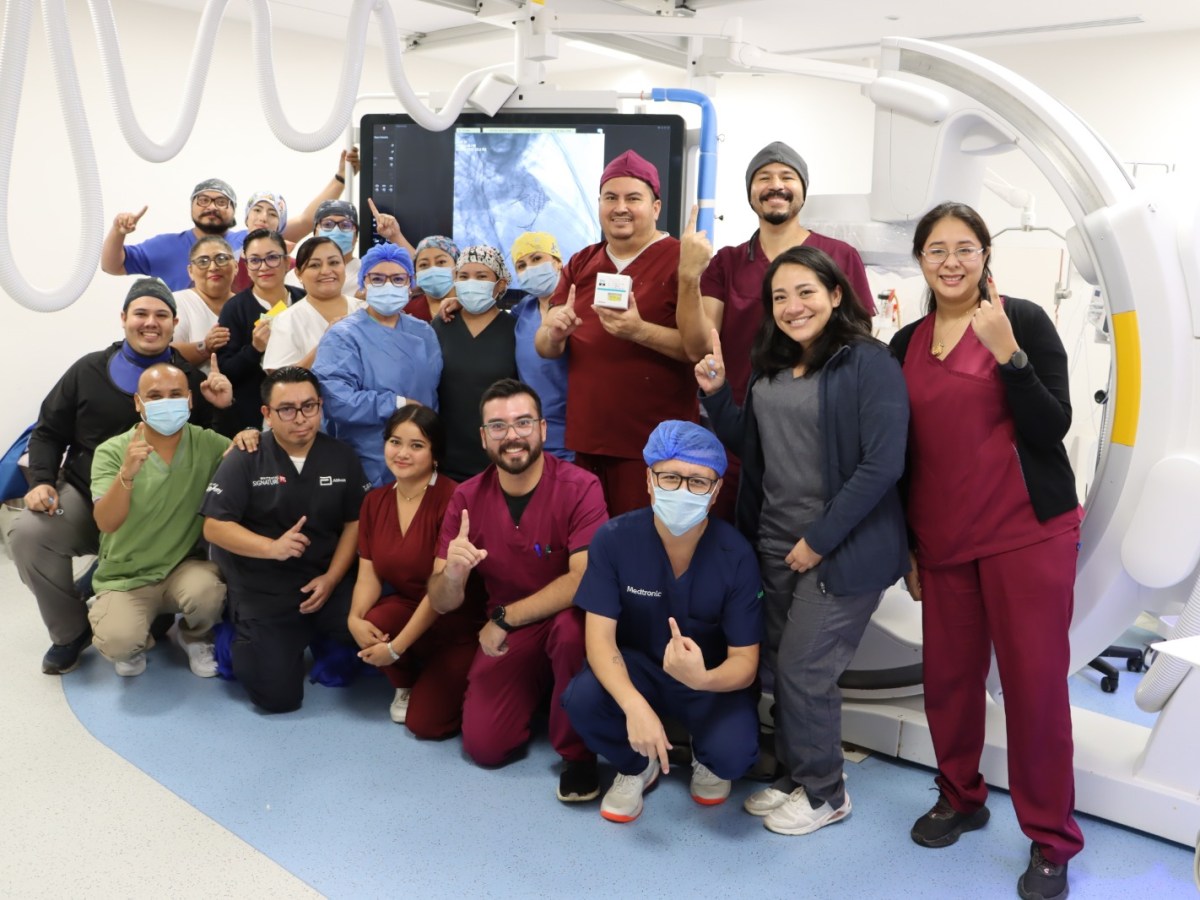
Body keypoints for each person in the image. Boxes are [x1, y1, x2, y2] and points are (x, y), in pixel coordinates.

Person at [889, 202, 1083, 900]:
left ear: (985, 254)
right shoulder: (905, 342)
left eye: (964, 248)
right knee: (948, 681)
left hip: (1025, 533)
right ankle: (962, 796)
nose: (951, 261)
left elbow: (1051, 425)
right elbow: (902, 453)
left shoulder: (1021, 320)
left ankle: (1052, 839)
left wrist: (1009, 355)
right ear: (920, 260)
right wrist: (908, 541)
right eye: (936, 248)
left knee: (1034, 689)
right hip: (943, 539)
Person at [698, 245, 909, 836]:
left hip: (839, 548)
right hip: (772, 542)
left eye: (806, 292)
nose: (793, 306)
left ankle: (825, 792)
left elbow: (882, 464)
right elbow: (754, 442)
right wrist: (717, 395)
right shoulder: (770, 365)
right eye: (780, 296)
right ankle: (794, 776)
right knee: (780, 669)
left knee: (803, 670)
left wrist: (817, 540)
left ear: (836, 294)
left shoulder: (868, 363)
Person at [12, 278, 233, 674]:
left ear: (174, 322)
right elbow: (48, 431)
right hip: (86, 494)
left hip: (162, 507)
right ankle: (71, 631)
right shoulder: (87, 371)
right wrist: (42, 480)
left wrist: (224, 409)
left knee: (198, 568)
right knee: (29, 534)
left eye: (161, 315)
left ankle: (154, 603)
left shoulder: (190, 382)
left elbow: (214, 446)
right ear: (123, 319)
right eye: (141, 314)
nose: (151, 322)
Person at [562, 421, 762, 824]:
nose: (683, 491)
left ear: (718, 490)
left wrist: (702, 679)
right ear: (649, 480)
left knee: (733, 756)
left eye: (699, 482)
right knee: (580, 700)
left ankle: (707, 756)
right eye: (670, 477)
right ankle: (637, 765)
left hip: (709, 678)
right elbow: (599, 641)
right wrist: (633, 704)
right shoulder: (614, 540)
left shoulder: (735, 554)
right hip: (640, 670)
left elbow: (745, 662)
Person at [427, 379, 609, 802]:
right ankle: (545, 695)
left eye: (523, 422)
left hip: (561, 619)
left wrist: (504, 618)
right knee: (485, 748)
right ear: (483, 437)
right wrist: (453, 574)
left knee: (570, 633)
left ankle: (577, 754)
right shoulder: (467, 498)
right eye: (498, 426)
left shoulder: (581, 488)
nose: (512, 435)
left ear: (544, 429)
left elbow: (583, 578)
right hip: (511, 632)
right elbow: (441, 600)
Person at [536, 150, 696, 516]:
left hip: (657, 447)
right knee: (591, 546)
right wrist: (555, 332)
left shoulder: (681, 260)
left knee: (643, 552)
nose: (620, 207)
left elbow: (698, 349)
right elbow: (545, 347)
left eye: (632, 198)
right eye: (611, 197)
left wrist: (640, 331)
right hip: (589, 439)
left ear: (656, 207)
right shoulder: (582, 262)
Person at [201, 367, 370, 713]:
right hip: (265, 588)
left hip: (324, 582)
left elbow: (355, 522)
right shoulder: (245, 456)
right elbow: (215, 527)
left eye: (310, 406)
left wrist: (332, 578)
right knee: (278, 698)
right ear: (266, 414)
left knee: (372, 633)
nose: (301, 418)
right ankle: (230, 634)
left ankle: (315, 636)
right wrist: (271, 548)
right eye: (287, 409)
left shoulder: (341, 456)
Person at [678, 141, 876, 404]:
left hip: (819, 412)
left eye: (787, 177)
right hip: (741, 414)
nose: (776, 185)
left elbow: (859, 340)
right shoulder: (727, 262)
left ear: (803, 191)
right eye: (763, 178)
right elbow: (698, 347)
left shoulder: (841, 256)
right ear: (750, 193)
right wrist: (688, 275)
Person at [87, 363, 230, 678]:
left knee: (207, 592)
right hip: (126, 575)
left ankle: (194, 637)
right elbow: (106, 523)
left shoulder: (208, 444)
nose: (166, 402)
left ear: (190, 400)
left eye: (175, 394)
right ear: (138, 403)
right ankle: (132, 635)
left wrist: (248, 433)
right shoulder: (112, 452)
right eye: (154, 396)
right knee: (120, 642)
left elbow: (246, 457)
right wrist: (126, 476)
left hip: (182, 567)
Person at [349, 406, 483, 735]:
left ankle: (464, 682)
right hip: (410, 611)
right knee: (371, 620)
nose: (403, 453)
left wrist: (395, 648)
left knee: (426, 725)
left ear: (435, 454)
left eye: (417, 445)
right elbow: (368, 576)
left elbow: (440, 597)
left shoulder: (455, 498)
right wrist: (353, 618)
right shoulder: (375, 501)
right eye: (395, 442)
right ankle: (406, 682)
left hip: (458, 623)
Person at [314, 243, 442, 486]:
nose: (388, 285)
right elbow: (334, 400)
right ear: (363, 284)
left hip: (421, 463)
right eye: (378, 278)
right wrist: (397, 404)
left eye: (397, 279)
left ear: (409, 284)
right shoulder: (343, 336)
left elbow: (432, 396)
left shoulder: (424, 333)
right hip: (366, 463)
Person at [432, 246, 517, 482]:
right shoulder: (441, 325)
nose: (471, 283)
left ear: (500, 284)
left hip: (498, 459)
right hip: (445, 459)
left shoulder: (514, 329)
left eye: (481, 277)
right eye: (464, 276)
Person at [215, 229, 308, 435]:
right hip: (255, 420)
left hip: (306, 410)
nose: (264, 267)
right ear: (246, 267)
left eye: (272, 258)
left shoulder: (305, 300)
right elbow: (226, 371)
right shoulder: (235, 308)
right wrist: (255, 348)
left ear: (286, 262)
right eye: (255, 260)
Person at [102, 178, 249, 290]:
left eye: (221, 202)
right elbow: (112, 266)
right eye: (203, 200)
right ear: (191, 206)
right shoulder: (165, 246)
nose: (211, 206)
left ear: (234, 209)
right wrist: (118, 232)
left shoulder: (249, 241)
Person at [509, 231, 572, 461]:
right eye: (521, 265)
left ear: (557, 262)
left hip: (574, 434)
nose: (530, 268)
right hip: (532, 433)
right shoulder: (523, 310)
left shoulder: (579, 305)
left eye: (537, 259)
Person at [263, 236, 362, 372]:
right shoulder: (287, 320)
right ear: (298, 274)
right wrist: (325, 344)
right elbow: (278, 379)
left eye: (334, 262)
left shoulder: (364, 310)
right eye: (314, 265)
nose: (326, 271)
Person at [171, 235, 236, 372]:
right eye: (203, 261)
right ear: (190, 271)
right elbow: (166, 353)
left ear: (235, 266)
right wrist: (205, 347)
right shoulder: (176, 302)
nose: (213, 267)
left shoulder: (246, 304)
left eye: (221, 259)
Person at [409, 235, 459, 322]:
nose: (433, 269)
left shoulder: (471, 307)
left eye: (441, 262)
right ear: (416, 274)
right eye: (424, 265)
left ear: (457, 267)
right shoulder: (409, 312)